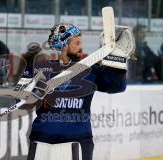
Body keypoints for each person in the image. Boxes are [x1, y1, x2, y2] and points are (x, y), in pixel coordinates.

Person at [23, 24, 134, 160]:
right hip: (41, 142)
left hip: (78, 142)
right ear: (64, 45)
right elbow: (19, 101)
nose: (81, 47)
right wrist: (30, 92)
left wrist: (118, 61)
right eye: (77, 43)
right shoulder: (38, 69)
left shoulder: (90, 70)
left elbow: (117, 87)